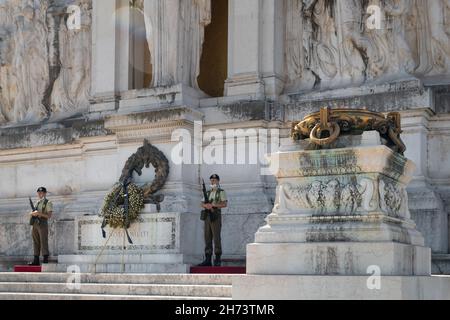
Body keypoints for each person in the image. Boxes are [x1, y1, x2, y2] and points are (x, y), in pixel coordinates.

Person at [198, 174, 228, 267]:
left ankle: (217, 258)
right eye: (211, 180)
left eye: (214, 180)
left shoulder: (221, 192)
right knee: (207, 236)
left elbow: (224, 204)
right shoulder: (207, 192)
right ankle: (208, 258)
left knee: (216, 237)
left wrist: (213, 205)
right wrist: (205, 205)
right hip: (207, 215)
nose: (213, 182)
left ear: (218, 181)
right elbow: (202, 203)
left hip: (215, 215)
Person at [28, 187, 53, 266]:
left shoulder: (48, 202)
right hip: (35, 223)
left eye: (41, 192)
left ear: (45, 193)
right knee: (36, 241)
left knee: (43, 241)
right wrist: (32, 213)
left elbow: (49, 215)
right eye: (38, 193)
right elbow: (32, 212)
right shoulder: (37, 203)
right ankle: (36, 259)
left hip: (42, 223)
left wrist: (39, 213)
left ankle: (45, 259)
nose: (40, 194)